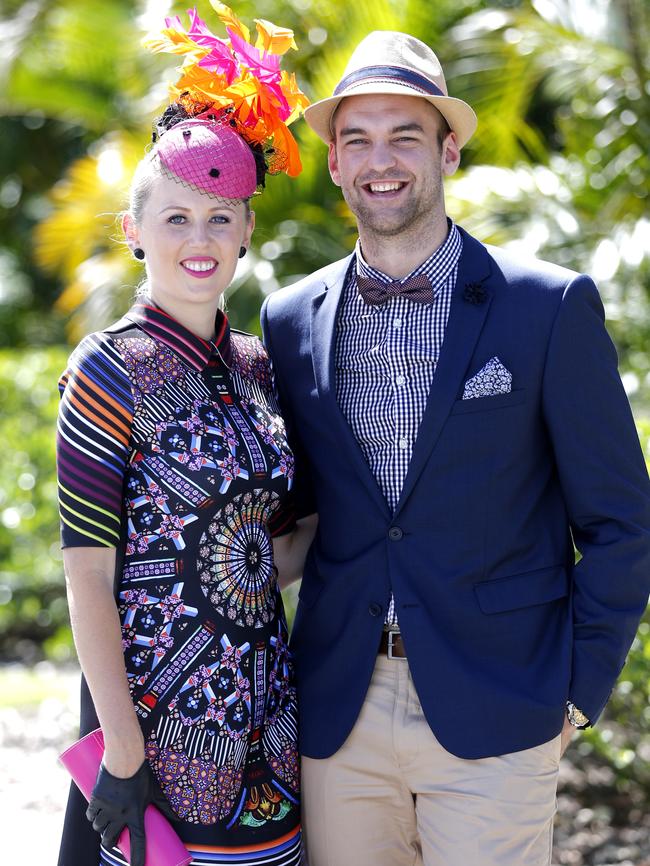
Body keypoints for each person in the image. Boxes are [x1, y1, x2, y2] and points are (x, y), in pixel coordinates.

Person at [261, 29, 650, 866]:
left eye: (406, 134)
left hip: (500, 708)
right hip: (338, 711)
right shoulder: (288, 320)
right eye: (357, 139)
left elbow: (623, 520)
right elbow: (297, 508)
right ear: (333, 163)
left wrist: (575, 694)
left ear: (450, 149)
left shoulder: (545, 309)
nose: (381, 159)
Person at [56, 7, 313, 866]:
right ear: (134, 233)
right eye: (175, 219)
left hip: (267, 732)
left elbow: (260, 549)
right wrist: (122, 757)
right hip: (159, 742)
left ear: (245, 230)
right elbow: (88, 575)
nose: (197, 240)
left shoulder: (256, 366)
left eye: (218, 217)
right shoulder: (108, 369)